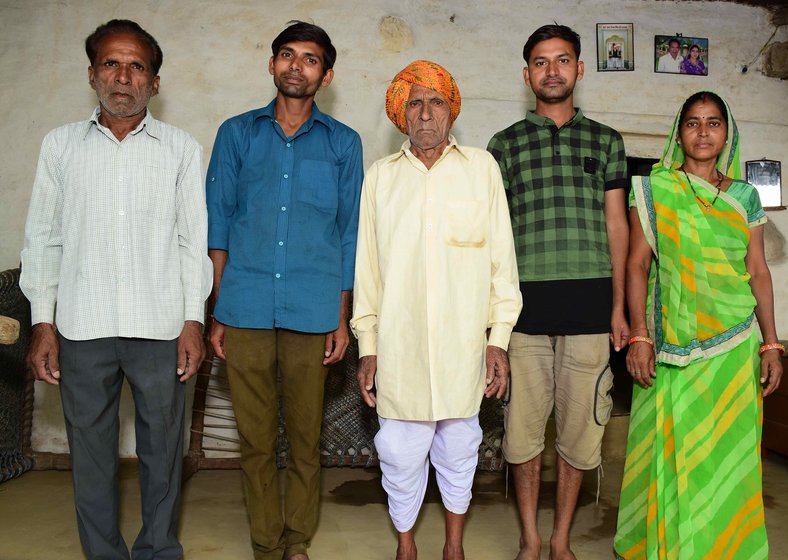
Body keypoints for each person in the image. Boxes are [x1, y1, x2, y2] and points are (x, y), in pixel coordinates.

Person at [20, 19, 212, 560]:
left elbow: (190, 242)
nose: (122, 76)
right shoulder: (60, 147)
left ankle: (157, 549)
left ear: (154, 81)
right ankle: (102, 553)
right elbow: (44, 239)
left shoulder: (179, 148)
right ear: (91, 74)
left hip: (160, 326)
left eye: (136, 66)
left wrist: (192, 321)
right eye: (111, 63)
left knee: (162, 450)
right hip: (83, 326)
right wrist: (43, 322)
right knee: (91, 454)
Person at [351, 60, 522, 560]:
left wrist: (498, 339)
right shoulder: (380, 178)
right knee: (399, 453)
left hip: (463, 345)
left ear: (452, 111)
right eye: (415, 103)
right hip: (399, 348)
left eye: (436, 102)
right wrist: (368, 346)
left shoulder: (481, 169)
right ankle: (406, 544)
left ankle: (453, 546)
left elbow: (501, 262)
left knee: (460, 448)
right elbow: (369, 271)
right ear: (401, 117)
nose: (426, 113)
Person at [205, 20, 363, 560]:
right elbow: (219, 222)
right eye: (288, 56)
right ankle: (265, 543)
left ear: (327, 73)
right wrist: (220, 307)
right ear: (272, 64)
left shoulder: (344, 144)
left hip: (313, 311)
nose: (297, 66)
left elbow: (349, 234)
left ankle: (297, 539)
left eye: (310, 58)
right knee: (253, 441)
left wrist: (341, 318)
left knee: (304, 439)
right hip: (244, 307)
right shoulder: (236, 134)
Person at [613, 91, 783, 559]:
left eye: (713, 123)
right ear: (678, 131)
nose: (703, 132)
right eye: (692, 123)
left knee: (729, 454)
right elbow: (636, 265)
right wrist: (640, 334)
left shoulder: (746, 196)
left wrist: (771, 344)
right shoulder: (654, 189)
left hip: (736, 343)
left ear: (728, 133)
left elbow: (758, 270)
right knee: (675, 450)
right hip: (674, 347)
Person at [487, 24, 629, 560]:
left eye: (562, 60)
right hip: (523, 313)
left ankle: (562, 539)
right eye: (541, 62)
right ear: (527, 74)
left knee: (579, 432)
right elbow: (493, 236)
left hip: (592, 311)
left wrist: (620, 308)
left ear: (579, 69)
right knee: (522, 436)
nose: (552, 70)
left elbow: (619, 228)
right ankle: (529, 538)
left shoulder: (607, 141)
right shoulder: (502, 145)